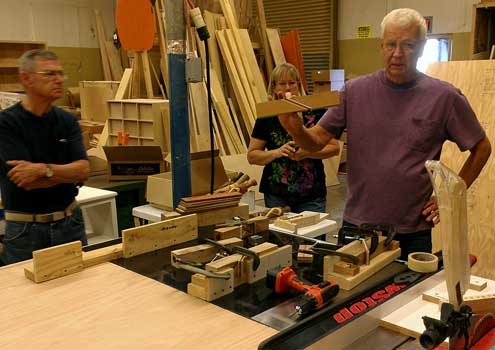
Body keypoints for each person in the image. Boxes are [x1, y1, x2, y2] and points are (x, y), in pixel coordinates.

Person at [278, 8, 491, 259]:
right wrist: (296, 129)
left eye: (408, 45)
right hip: (358, 227)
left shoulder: (445, 97)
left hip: (412, 232)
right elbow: (315, 142)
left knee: (409, 298)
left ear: (422, 47)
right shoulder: (353, 92)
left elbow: (482, 147)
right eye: (390, 44)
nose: (397, 54)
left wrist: (450, 196)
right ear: (381, 46)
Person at [0, 49, 90, 265]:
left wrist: (43, 170)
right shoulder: (7, 123)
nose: (59, 80)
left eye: (60, 73)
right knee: (27, 297)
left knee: (83, 292)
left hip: (70, 224)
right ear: (26, 78)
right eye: (50, 74)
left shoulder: (67, 121)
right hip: (25, 232)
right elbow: (25, 182)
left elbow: (84, 170)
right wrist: (66, 173)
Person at [247, 63, 340, 213]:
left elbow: (334, 148)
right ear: (274, 88)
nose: (288, 88)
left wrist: (307, 152)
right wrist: (277, 152)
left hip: (312, 194)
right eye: (282, 84)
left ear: (298, 85)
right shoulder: (267, 115)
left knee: (313, 234)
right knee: (279, 234)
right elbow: (252, 156)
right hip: (276, 193)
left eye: (292, 83)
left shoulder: (314, 112)